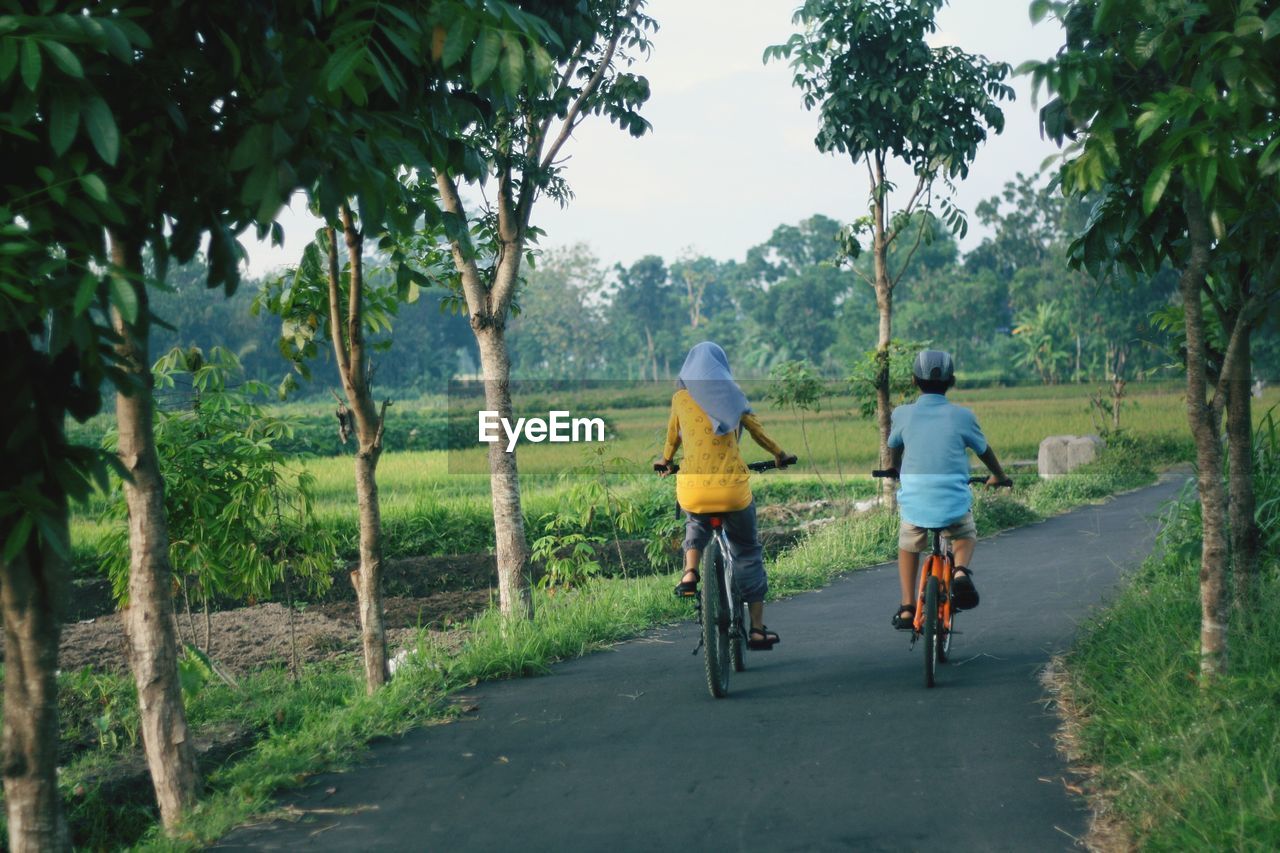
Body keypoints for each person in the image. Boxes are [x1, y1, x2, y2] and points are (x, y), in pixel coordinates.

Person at [655, 342, 794, 650]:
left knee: (695, 520)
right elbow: (758, 432)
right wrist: (780, 455)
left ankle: (690, 572)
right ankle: (757, 629)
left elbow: (672, 438)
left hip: (694, 488)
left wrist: (665, 461)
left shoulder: (680, 398)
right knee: (747, 550)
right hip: (732, 490)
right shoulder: (732, 395)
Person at [886, 350, 1009, 630]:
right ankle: (961, 571)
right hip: (952, 502)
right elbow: (984, 451)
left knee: (908, 543)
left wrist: (894, 469)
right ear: (951, 381)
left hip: (916, 504)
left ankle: (907, 608)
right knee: (964, 534)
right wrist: (998, 475)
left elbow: (894, 446)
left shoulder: (902, 414)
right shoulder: (963, 416)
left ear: (914, 381)